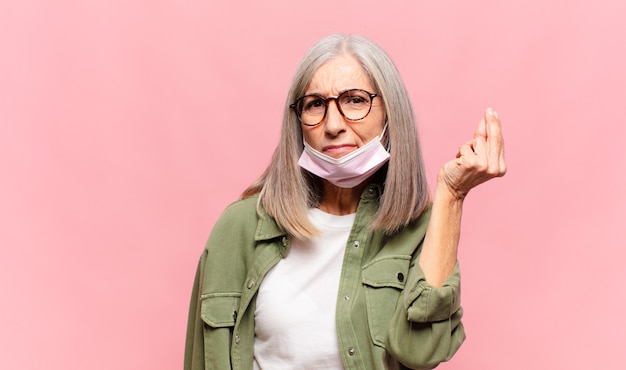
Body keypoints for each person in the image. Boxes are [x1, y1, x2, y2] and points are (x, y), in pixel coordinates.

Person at [184, 34, 506, 370]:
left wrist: (452, 197)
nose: (333, 125)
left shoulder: (423, 228)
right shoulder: (240, 226)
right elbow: (201, 359)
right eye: (315, 104)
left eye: (355, 100)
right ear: (297, 121)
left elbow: (420, 352)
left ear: (390, 113)